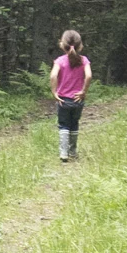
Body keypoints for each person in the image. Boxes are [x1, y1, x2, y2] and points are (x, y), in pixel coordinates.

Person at [49, 29, 91, 163]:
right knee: (74, 124)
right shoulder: (84, 60)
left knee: (63, 125)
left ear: (62, 44)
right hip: (78, 99)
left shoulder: (60, 61)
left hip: (63, 100)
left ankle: (63, 153)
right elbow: (89, 76)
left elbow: (53, 75)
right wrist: (83, 91)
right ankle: (72, 151)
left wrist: (54, 92)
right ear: (80, 46)